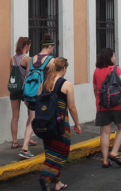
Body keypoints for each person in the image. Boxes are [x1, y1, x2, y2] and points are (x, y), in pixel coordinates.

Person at [38, 57, 81, 191]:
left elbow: (39, 102)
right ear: (64, 69)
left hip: (45, 124)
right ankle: (45, 178)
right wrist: (77, 124)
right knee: (61, 152)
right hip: (61, 124)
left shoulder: (44, 83)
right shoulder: (66, 84)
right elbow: (72, 107)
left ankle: (58, 183)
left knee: (51, 151)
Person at [19, 34, 55, 159]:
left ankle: (24, 148)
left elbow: (28, 76)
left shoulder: (32, 58)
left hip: (32, 95)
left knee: (32, 120)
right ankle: (50, 148)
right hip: (44, 96)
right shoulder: (51, 60)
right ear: (50, 46)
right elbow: (53, 79)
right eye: (52, 47)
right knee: (48, 120)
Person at [93, 48, 121, 168]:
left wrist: (98, 99)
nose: (115, 58)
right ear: (109, 58)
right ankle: (114, 152)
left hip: (102, 105)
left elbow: (95, 89)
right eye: (113, 56)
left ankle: (105, 160)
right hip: (117, 104)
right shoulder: (116, 68)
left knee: (105, 132)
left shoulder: (96, 71)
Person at [9, 37, 38, 148]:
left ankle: (15, 141)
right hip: (25, 90)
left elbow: (10, 76)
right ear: (26, 45)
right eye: (29, 45)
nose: (29, 47)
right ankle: (28, 138)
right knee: (31, 115)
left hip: (14, 89)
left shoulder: (12, 59)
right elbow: (28, 77)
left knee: (15, 116)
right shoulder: (27, 59)